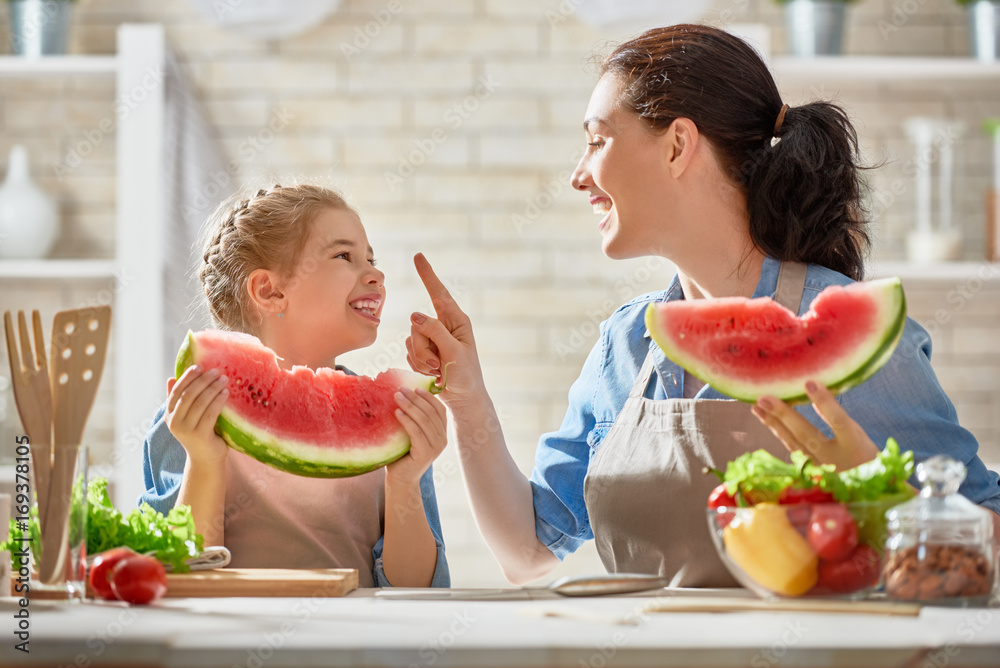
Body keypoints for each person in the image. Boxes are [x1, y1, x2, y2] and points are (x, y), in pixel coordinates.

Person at [403, 25, 1000, 587]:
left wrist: (884, 495)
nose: (578, 176)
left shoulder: (851, 331)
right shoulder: (629, 342)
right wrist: (467, 396)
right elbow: (527, 550)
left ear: (677, 145)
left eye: (597, 140)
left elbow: (985, 533)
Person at [139, 184, 450, 588]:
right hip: (229, 648)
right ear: (270, 291)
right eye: (344, 256)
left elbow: (418, 593)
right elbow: (175, 583)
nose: (376, 274)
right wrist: (204, 460)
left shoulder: (396, 421)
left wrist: (405, 481)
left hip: (357, 646)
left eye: (371, 259)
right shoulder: (189, 417)